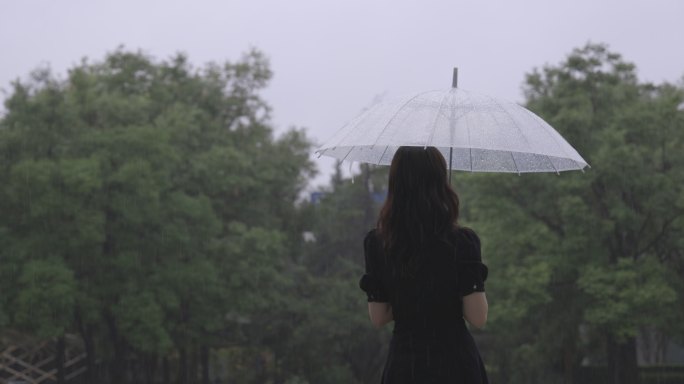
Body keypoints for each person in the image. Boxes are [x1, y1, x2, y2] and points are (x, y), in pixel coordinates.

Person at [359, 146, 489, 384]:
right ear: (441, 183)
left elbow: (379, 317)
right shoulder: (462, 242)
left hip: (405, 366)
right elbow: (477, 316)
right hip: (456, 365)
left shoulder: (379, 244)